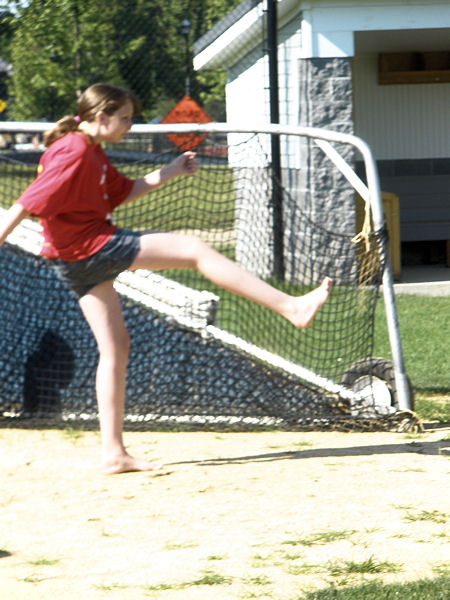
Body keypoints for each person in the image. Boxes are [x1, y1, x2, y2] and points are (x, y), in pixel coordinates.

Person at [0, 83, 332, 475]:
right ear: (101, 116)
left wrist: (170, 171)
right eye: (125, 118)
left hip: (74, 260)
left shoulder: (89, 149)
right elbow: (27, 202)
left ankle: (113, 454)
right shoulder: (73, 150)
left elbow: (123, 193)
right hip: (91, 248)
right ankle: (291, 307)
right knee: (194, 249)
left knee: (115, 347)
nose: (130, 125)